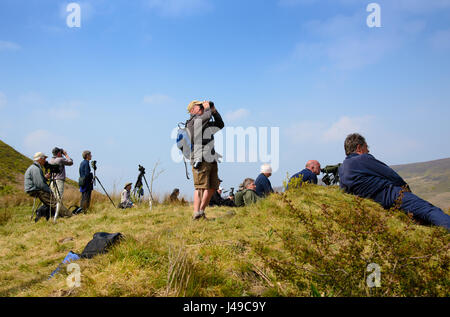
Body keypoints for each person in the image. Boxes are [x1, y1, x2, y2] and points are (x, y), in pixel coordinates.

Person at [339, 133, 450, 230]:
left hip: (375, 202)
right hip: (391, 195)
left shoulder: (343, 168)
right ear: (359, 148)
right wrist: (406, 190)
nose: (368, 150)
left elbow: (344, 191)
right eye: (366, 147)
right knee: (429, 210)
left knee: (420, 218)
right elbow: (390, 175)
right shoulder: (362, 159)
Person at [186, 100, 225, 220]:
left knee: (213, 186)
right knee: (200, 187)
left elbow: (220, 124)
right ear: (192, 110)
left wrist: (214, 111)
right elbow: (206, 116)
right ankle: (196, 212)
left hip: (211, 157)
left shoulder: (205, 122)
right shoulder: (193, 122)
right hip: (200, 158)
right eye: (200, 106)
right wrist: (208, 110)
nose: (203, 107)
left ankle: (201, 212)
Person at [24, 152, 72, 218]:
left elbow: (38, 181)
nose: (45, 160)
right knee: (54, 202)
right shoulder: (35, 169)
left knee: (50, 201)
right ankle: (68, 215)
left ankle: (55, 215)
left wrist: (45, 178)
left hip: (33, 189)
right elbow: (40, 184)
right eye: (44, 158)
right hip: (35, 190)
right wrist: (49, 191)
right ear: (40, 159)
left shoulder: (34, 167)